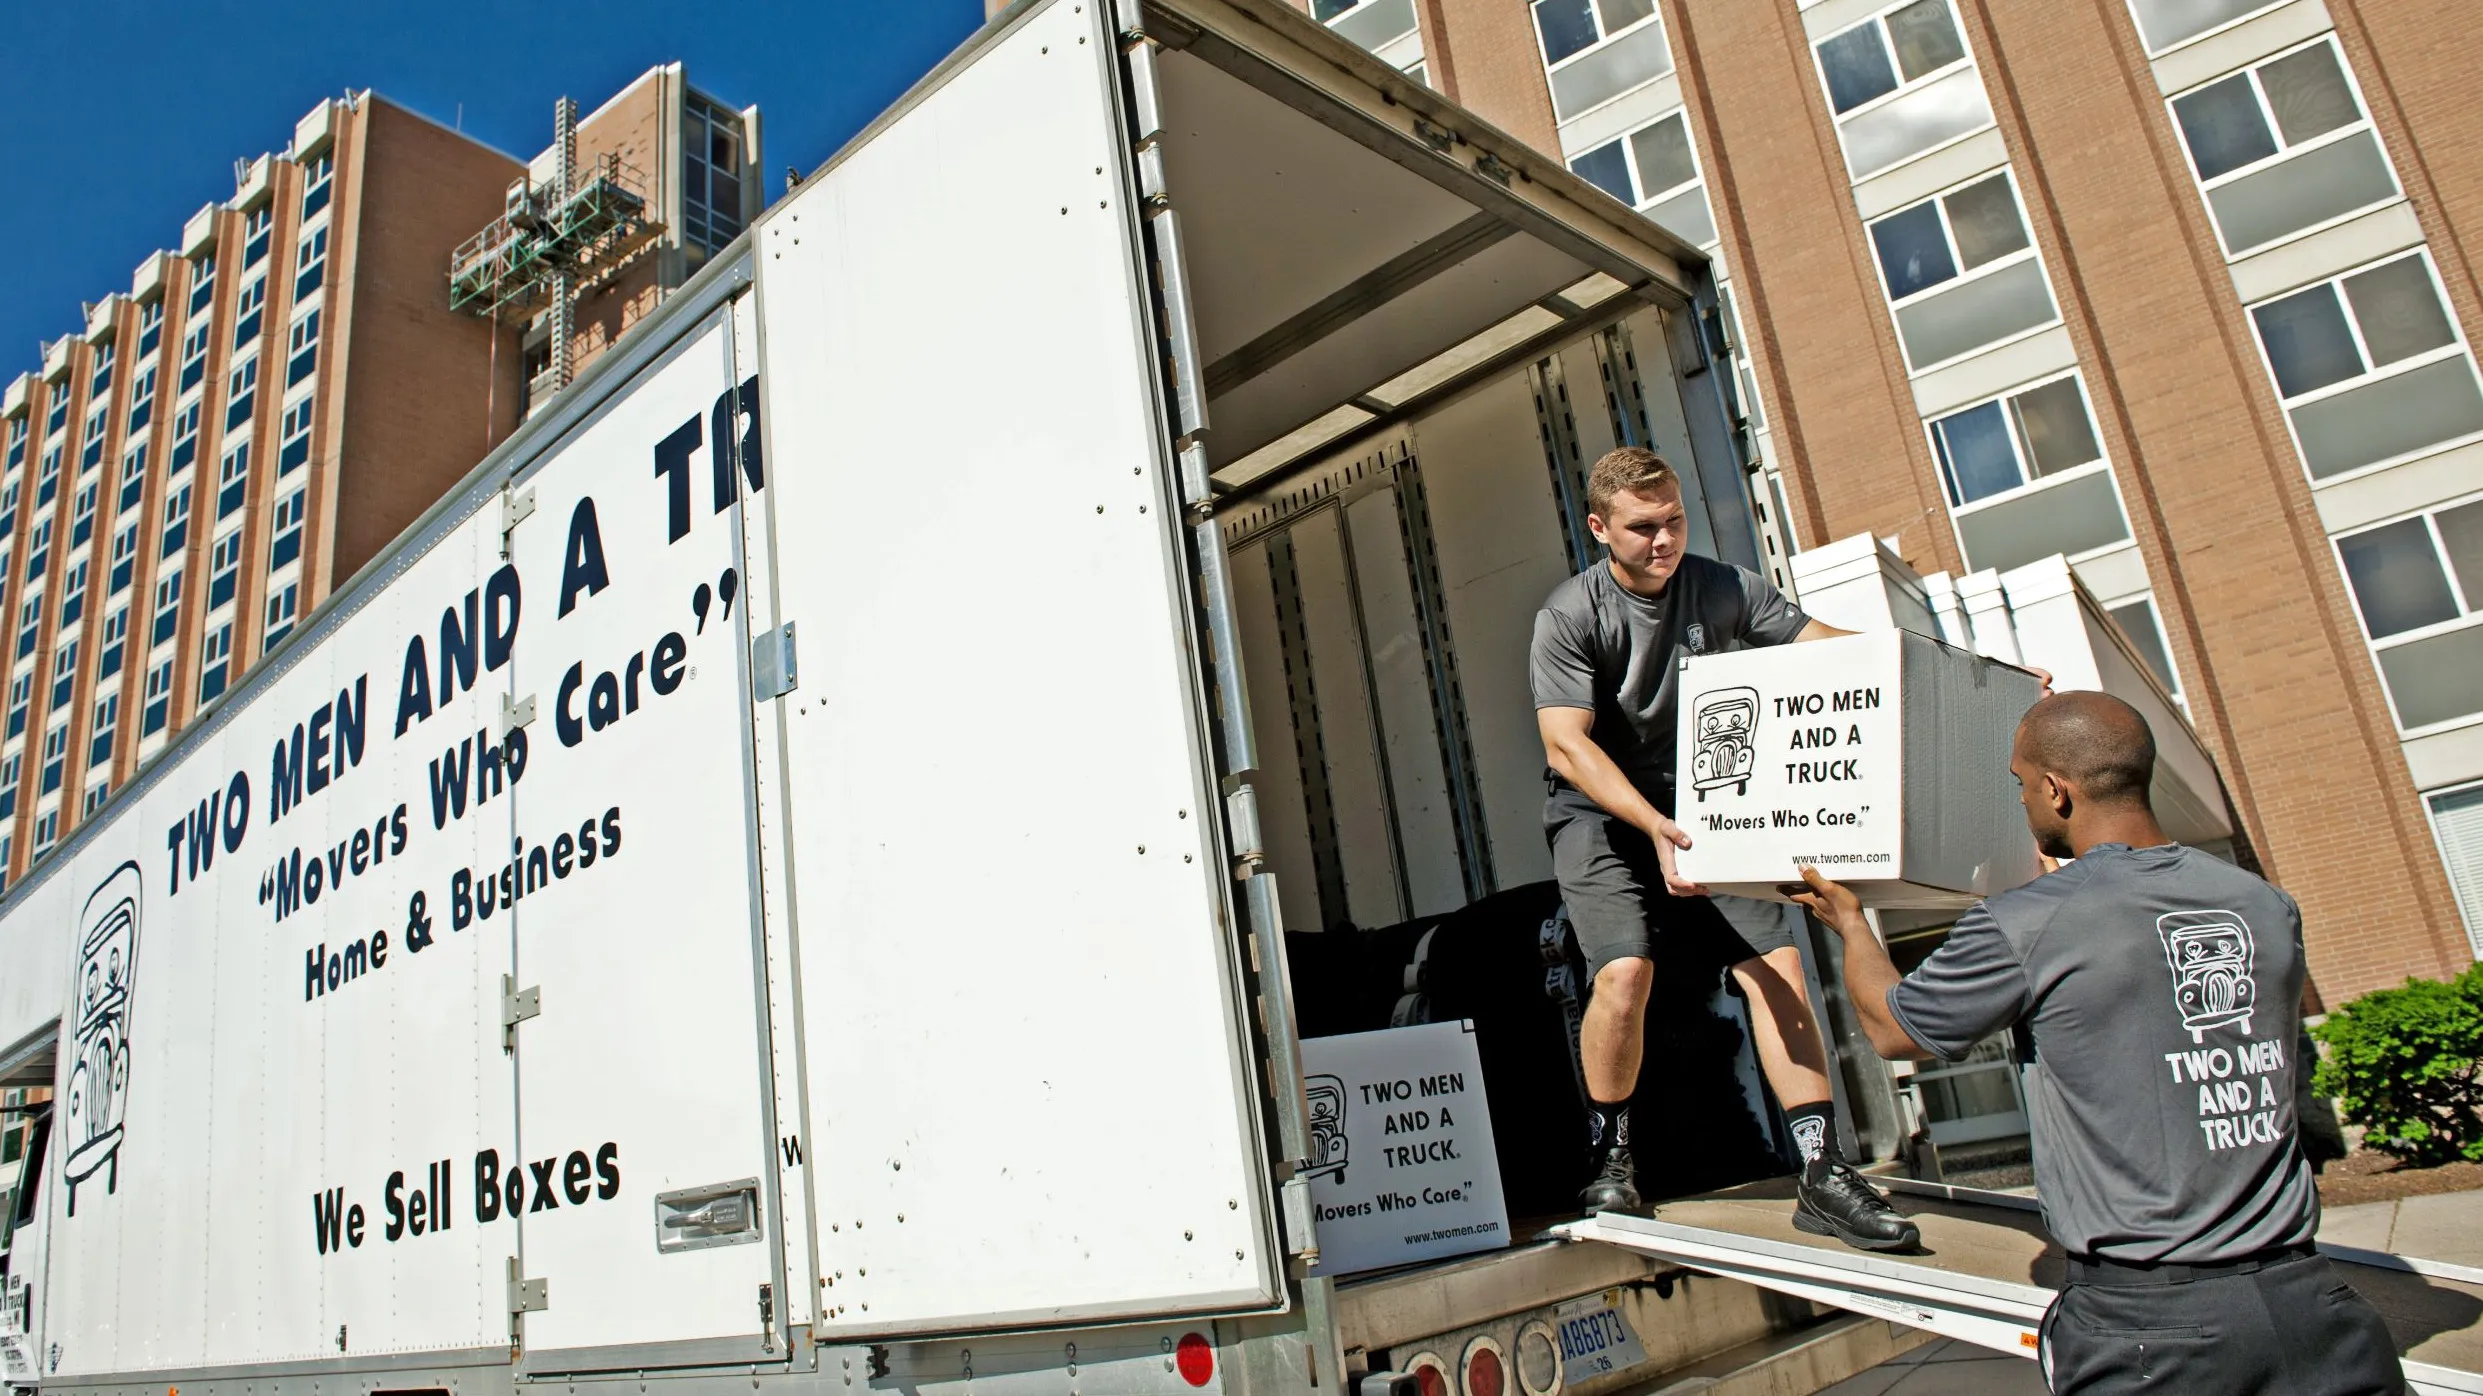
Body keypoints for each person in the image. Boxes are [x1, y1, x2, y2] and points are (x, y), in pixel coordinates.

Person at [1789, 692, 2406, 1394]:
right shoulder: (2263, 905)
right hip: (2315, 1310)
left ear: (2056, 791)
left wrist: (1851, 924)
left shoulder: (2025, 923)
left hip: (2150, 1329)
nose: (2021, 802)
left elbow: (1892, 1029)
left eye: (2022, 786)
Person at [1530, 445, 1918, 1250]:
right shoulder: (1570, 615)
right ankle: (1612, 1157)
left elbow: (1834, 647)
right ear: (1600, 528)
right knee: (1625, 972)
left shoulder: (1725, 587)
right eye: (1642, 528)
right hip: (1599, 811)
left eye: (1672, 520)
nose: (1663, 540)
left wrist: (1967, 674)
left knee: (1775, 969)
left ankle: (1821, 1170)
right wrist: (1655, 829)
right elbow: (1567, 745)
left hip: (1709, 801)